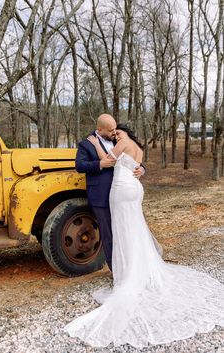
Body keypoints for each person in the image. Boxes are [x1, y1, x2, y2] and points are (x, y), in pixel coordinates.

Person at [64, 124, 224, 348]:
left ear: (122, 133)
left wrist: (100, 148)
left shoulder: (121, 142)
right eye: (112, 132)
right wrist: (137, 168)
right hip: (133, 188)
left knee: (123, 232)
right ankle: (135, 266)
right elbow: (127, 163)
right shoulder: (136, 145)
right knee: (133, 230)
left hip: (123, 189)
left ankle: (127, 274)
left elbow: (110, 160)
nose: (114, 134)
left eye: (117, 132)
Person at [75, 114, 145, 271]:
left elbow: (133, 158)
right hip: (101, 196)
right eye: (111, 130)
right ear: (100, 129)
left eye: (115, 129)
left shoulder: (118, 140)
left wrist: (142, 169)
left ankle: (131, 267)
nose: (114, 132)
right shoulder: (86, 144)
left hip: (122, 194)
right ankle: (117, 271)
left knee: (126, 231)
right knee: (109, 235)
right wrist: (99, 164)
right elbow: (79, 165)